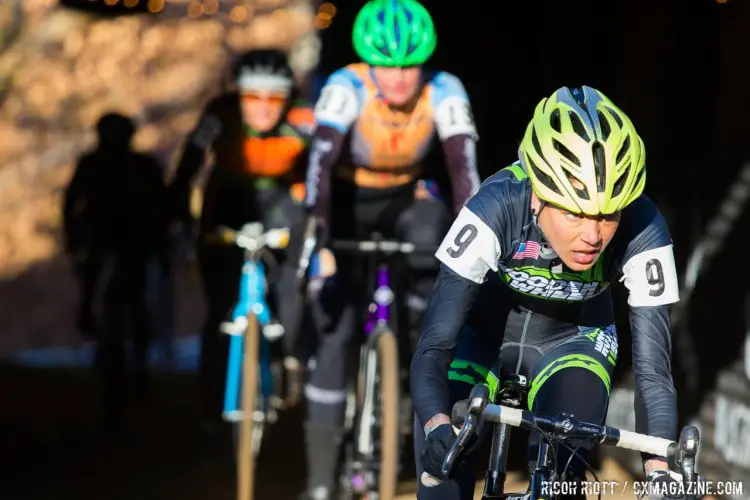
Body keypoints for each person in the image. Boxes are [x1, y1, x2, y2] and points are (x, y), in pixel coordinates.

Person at [411, 85, 686, 500]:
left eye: (608, 214)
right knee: (444, 484)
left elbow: (653, 371)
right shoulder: (497, 205)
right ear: (538, 193)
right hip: (480, 339)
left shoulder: (645, 228)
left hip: (574, 342)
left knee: (561, 485)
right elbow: (433, 344)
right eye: (575, 212)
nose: (593, 235)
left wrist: (662, 468)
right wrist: (435, 425)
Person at [299, 0, 482, 497]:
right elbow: (319, 164)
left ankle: (410, 372)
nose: (400, 78)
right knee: (335, 328)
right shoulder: (344, 86)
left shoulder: (444, 89)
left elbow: (465, 172)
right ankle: (319, 479)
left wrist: (479, 242)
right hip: (347, 199)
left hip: (407, 198)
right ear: (367, 62)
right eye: (388, 65)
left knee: (435, 283)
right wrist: (318, 237)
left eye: (410, 65)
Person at [168, 48, 314, 431]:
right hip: (227, 202)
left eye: (274, 98)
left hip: (280, 200)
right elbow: (188, 168)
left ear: (288, 98)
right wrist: (180, 219)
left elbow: (324, 177)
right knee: (219, 306)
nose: (264, 108)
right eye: (253, 97)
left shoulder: (303, 119)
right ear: (237, 96)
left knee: (291, 285)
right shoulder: (219, 114)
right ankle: (212, 400)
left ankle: (287, 357)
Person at [63, 112, 170, 425]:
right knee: (112, 297)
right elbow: (72, 205)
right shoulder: (103, 166)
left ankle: (131, 364)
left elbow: (160, 206)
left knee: (129, 302)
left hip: (127, 245)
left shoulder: (133, 167)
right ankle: (119, 358)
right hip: (106, 244)